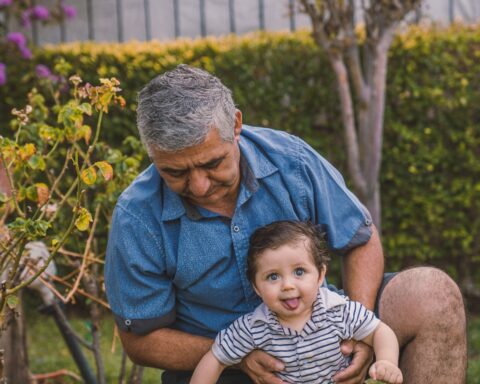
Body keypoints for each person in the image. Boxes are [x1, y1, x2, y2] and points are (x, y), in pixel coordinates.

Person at [104, 64, 467, 384]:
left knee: (431, 294)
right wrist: (239, 355)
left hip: (326, 329)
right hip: (222, 365)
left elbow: (359, 239)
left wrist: (358, 333)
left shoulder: (291, 160)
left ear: (236, 125)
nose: (199, 186)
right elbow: (140, 340)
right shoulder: (137, 217)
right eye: (175, 172)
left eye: (212, 163)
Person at [190, 221, 403, 384]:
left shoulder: (338, 310)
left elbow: (379, 331)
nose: (287, 285)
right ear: (256, 287)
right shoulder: (254, 326)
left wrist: (386, 361)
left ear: (320, 276)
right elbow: (216, 358)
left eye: (299, 272)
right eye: (273, 276)